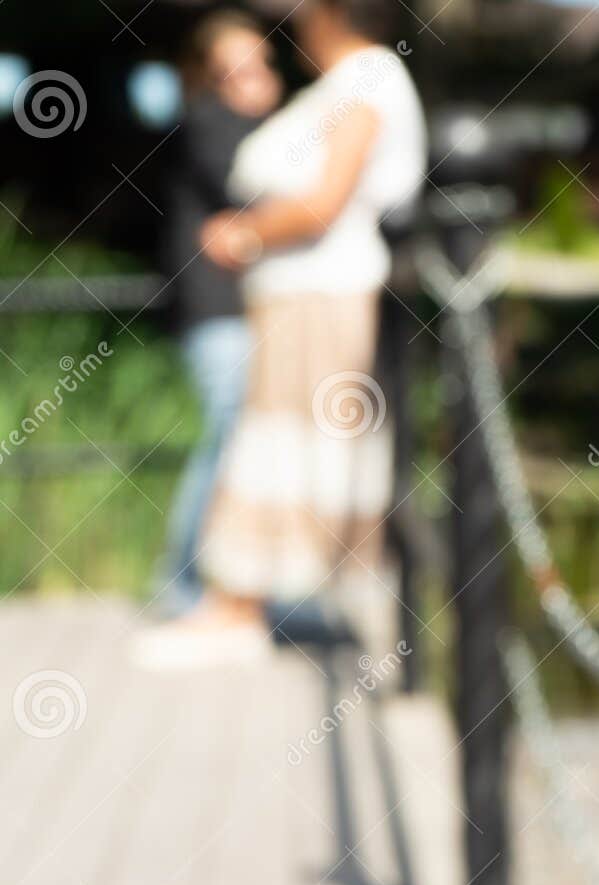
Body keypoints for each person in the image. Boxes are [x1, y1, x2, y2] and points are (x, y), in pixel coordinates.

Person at [135, 0, 425, 668]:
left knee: (274, 447)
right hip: (301, 300)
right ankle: (248, 604)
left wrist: (244, 232)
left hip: (319, 299)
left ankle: (237, 608)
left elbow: (325, 200)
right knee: (275, 445)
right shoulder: (351, 83)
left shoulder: (367, 80)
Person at [156, 11, 281, 616]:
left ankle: (240, 585)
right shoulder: (210, 124)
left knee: (242, 444)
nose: (253, 76)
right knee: (227, 442)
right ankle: (181, 582)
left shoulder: (239, 125)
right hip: (216, 310)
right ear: (210, 71)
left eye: (260, 62)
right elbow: (256, 188)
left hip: (240, 310)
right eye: (238, 64)